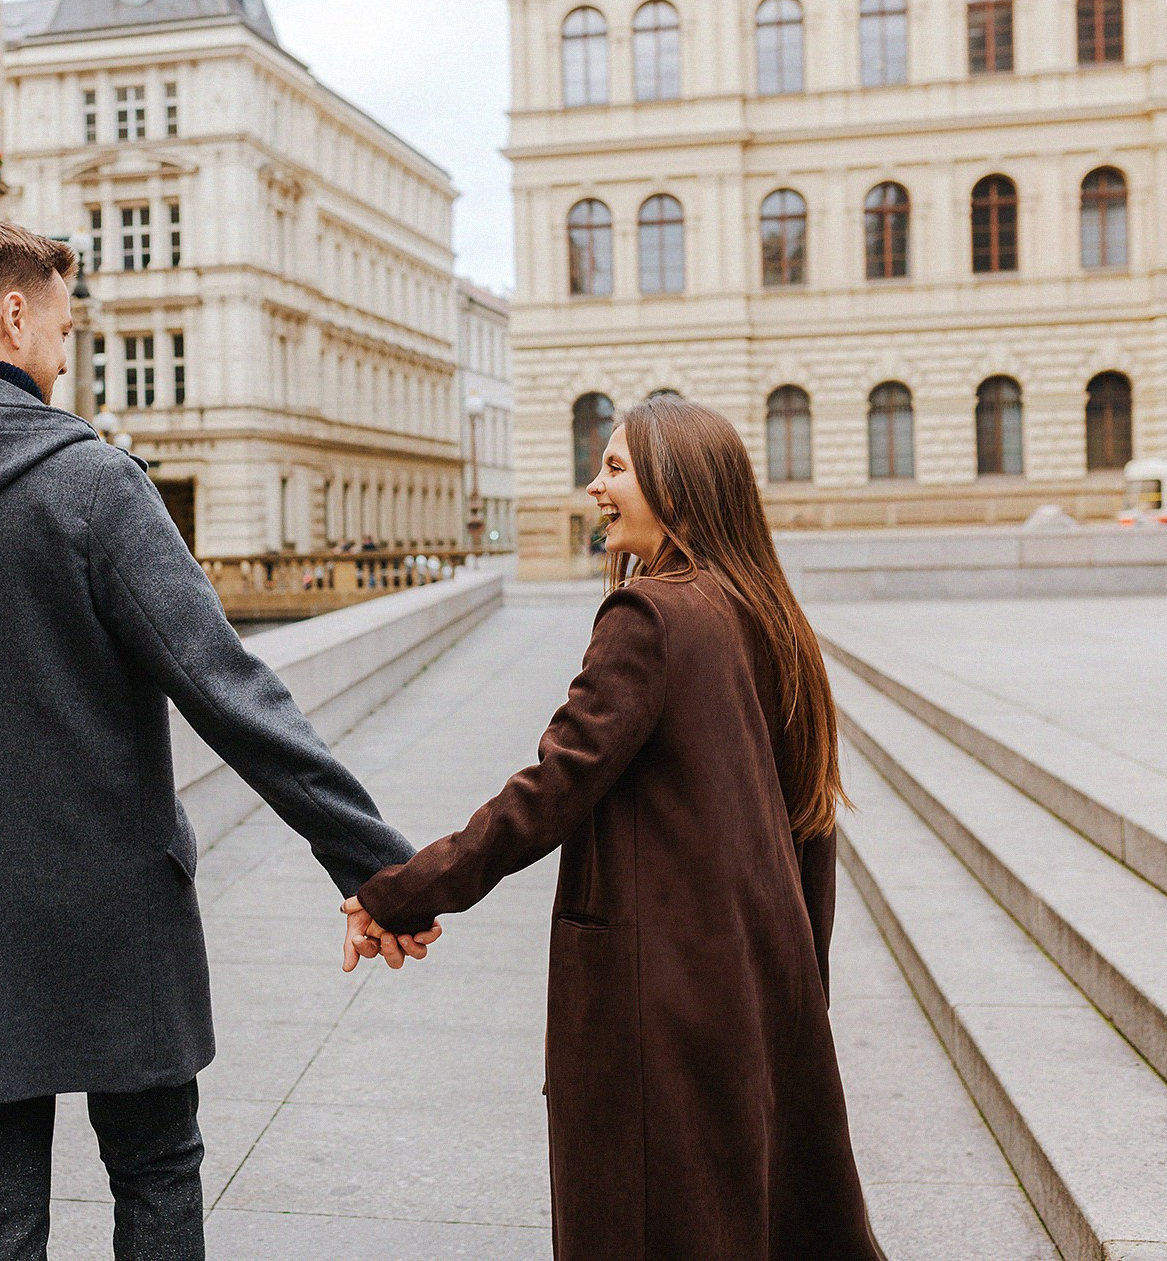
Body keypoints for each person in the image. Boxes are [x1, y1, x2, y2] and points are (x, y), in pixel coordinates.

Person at [0, 221, 437, 1261]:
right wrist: (377, 865)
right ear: (14, 316)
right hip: (116, 913)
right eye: (63, 328)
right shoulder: (92, 485)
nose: (66, 353)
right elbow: (229, 692)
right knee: (153, 1174)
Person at [343, 394, 887, 1260]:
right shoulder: (771, 614)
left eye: (617, 467)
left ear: (678, 483)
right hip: (754, 984)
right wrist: (798, 996)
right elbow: (811, 827)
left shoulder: (649, 617)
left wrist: (402, 891)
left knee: (651, 1223)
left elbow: (549, 791)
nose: (593, 486)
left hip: (658, 1000)